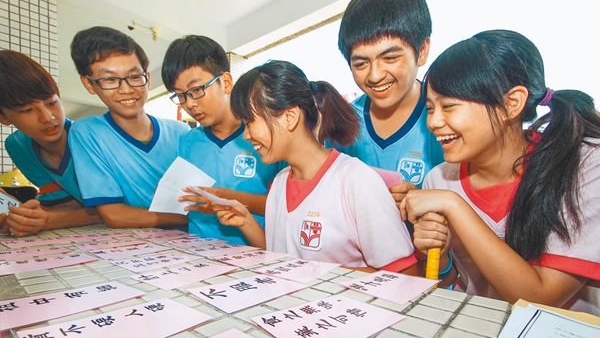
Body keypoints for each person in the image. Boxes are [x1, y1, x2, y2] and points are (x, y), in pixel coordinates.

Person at [400, 30, 600, 314]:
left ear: (511, 103)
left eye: (449, 106)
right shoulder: (440, 179)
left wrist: (453, 206)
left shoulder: (581, 166)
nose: (434, 122)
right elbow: (452, 282)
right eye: (430, 109)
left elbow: (540, 300)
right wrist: (440, 257)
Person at [214, 60, 416, 273]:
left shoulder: (354, 180)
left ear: (290, 117)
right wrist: (246, 222)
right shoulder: (280, 183)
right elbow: (283, 260)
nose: (246, 135)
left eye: (249, 123)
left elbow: (406, 274)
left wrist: (316, 274)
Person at [331, 0, 443, 206]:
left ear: (422, 50)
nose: (375, 76)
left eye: (390, 58)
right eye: (361, 64)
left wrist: (428, 201)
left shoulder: (447, 121)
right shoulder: (342, 123)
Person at [162, 36, 283, 244]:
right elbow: (183, 206)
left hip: (256, 252)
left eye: (196, 90)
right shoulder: (187, 142)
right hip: (196, 252)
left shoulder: (265, 136)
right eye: (180, 95)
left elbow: (290, 206)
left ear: (226, 82)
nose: (189, 104)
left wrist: (225, 198)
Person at [69, 26, 190, 228]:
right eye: (110, 79)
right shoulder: (87, 133)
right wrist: (190, 219)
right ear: (89, 84)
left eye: (134, 77)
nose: (126, 89)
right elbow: (114, 214)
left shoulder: (182, 133)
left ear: (148, 78)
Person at [0, 50, 101, 237]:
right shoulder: (18, 146)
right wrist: (21, 218)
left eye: (51, 102)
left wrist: (48, 221)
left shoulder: (93, 137)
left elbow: (119, 208)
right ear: (3, 117)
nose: (47, 118)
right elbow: (65, 205)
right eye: (27, 110)